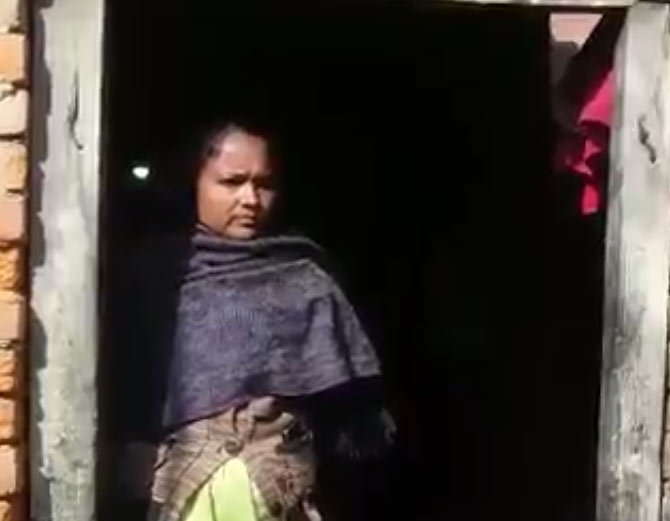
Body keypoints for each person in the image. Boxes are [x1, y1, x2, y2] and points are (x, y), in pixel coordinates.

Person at [114, 119, 394, 521]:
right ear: (194, 183)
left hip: (281, 497)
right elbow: (127, 391)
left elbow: (352, 423)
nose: (250, 199)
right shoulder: (158, 276)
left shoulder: (304, 277)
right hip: (180, 495)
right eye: (232, 182)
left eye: (264, 184)